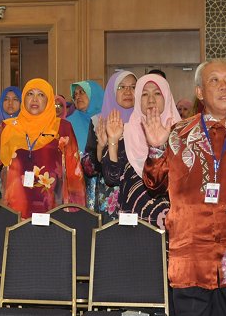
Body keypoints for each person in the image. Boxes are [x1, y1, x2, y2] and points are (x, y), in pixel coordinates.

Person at [143, 58, 226, 316]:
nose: (224, 86)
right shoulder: (179, 133)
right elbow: (154, 183)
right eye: (214, 80)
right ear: (199, 92)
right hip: (191, 260)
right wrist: (156, 148)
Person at [0, 78, 85, 218]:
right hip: (14, 207)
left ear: (49, 100)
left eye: (41, 95)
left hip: (52, 207)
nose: (34, 99)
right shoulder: (8, 127)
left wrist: (76, 212)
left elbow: (74, 171)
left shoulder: (62, 127)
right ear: (24, 98)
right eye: (30, 94)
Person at [102, 73, 179, 230]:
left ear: (166, 96)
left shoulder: (181, 135)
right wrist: (113, 140)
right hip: (131, 222)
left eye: (157, 93)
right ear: (137, 98)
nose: (151, 100)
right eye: (144, 94)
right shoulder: (124, 132)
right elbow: (111, 178)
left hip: (172, 223)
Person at [81, 71, 137, 220]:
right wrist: (101, 147)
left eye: (133, 87)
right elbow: (88, 168)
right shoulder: (98, 121)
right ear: (112, 91)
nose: (128, 92)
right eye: (121, 87)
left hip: (137, 195)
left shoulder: (145, 122)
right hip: (109, 196)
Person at [67, 80, 104, 155]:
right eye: (75, 94)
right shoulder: (68, 123)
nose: (77, 97)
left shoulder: (109, 120)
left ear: (94, 94)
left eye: (81, 92)